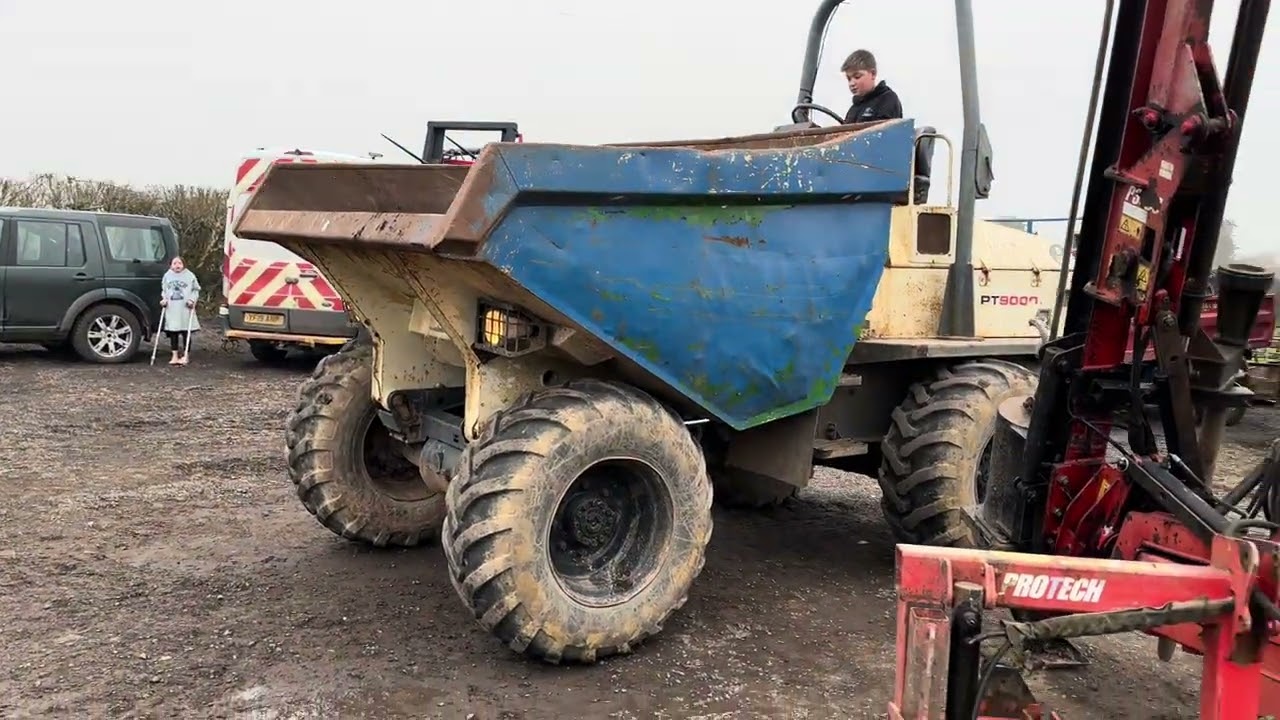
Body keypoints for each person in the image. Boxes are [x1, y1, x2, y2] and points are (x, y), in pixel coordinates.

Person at [841, 49, 903, 123]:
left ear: (873, 74)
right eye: (849, 79)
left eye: (857, 77)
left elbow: (883, 131)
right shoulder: (853, 109)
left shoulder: (887, 99)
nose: (852, 83)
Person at [159, 256, 201, 365]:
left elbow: (195, 290)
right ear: (171, 265)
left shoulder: (189, 275)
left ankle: (185, 356)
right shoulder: (167, 276)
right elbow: (164, 290)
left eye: (179, 263)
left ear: (183, 265)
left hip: (185, 309)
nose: (177, 265)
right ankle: (174, 356)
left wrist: (192, 300)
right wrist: (164, 299)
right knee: (173, 332)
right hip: (172, 309)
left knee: (186, 332)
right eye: (174, 263)